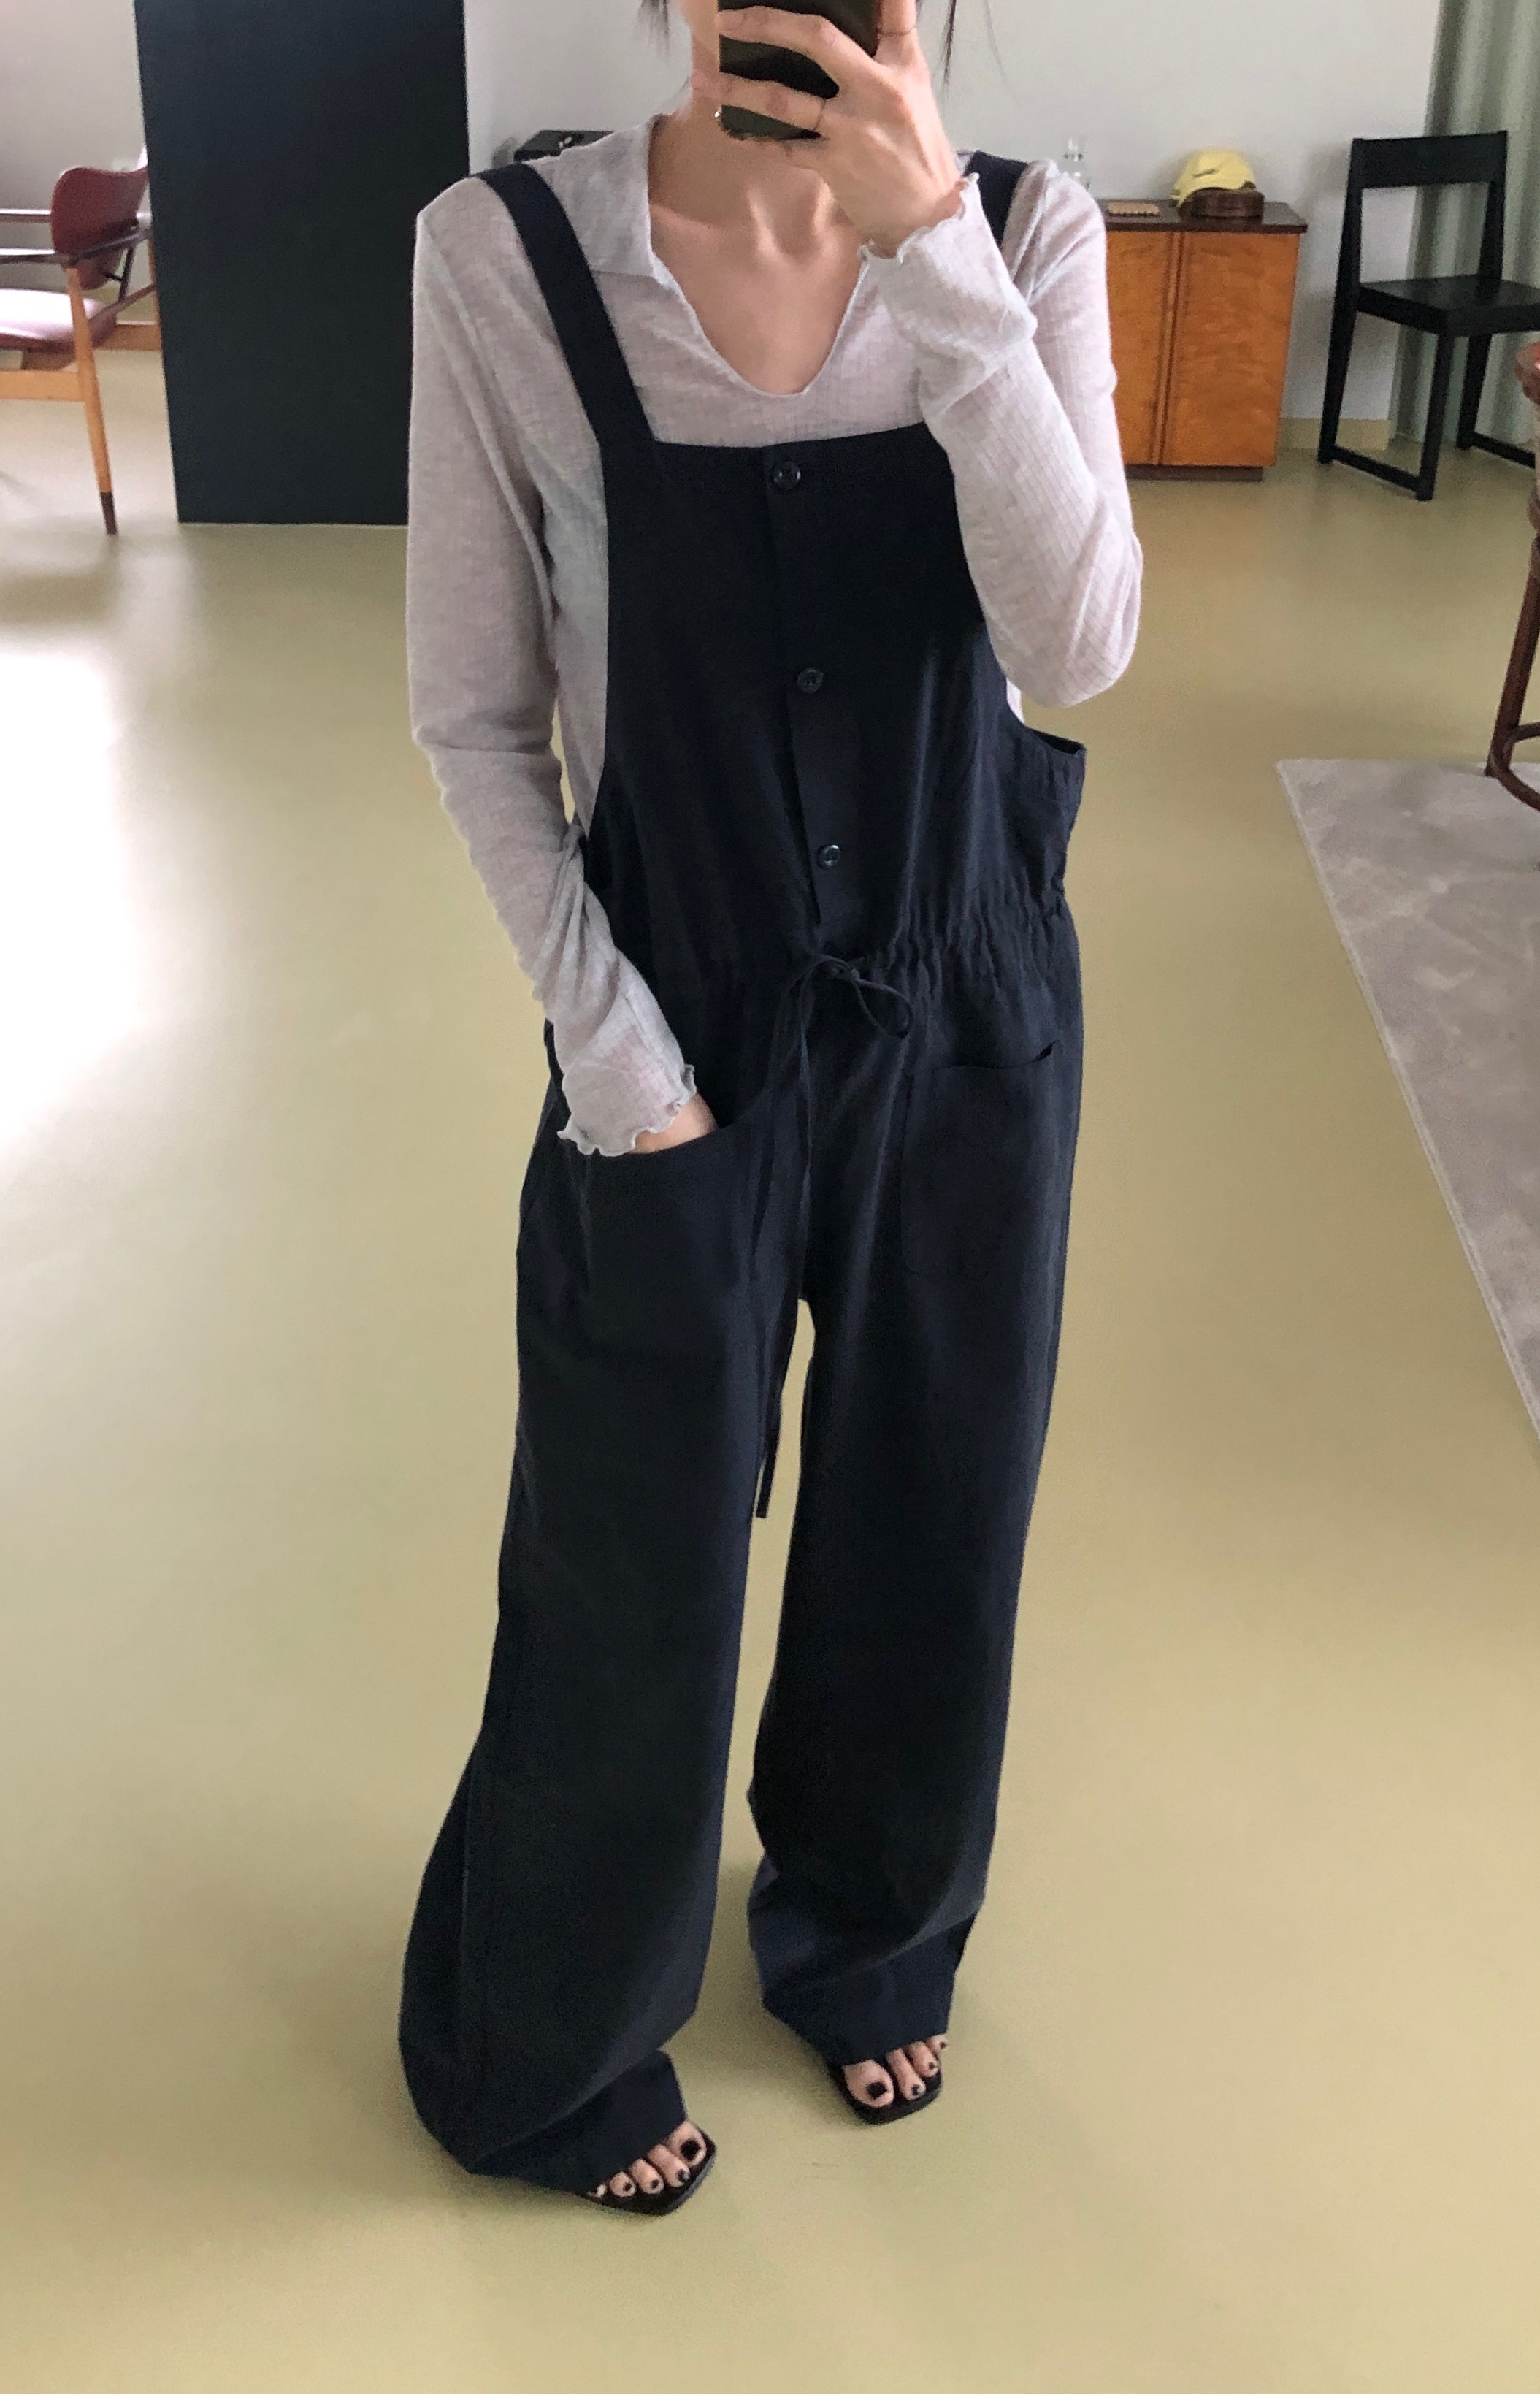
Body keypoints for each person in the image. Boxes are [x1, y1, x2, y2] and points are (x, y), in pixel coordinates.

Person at [399, 0, 1141, 2214]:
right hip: (671, 1020)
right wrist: (617, 1066)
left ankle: (873, 1925)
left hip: (969, 1000)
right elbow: (474, 714)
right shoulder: (505, 255)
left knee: (936, 1512)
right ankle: (551, 2035)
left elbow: (1081, 645)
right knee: (625, 1553)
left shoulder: (1027, 232)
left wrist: (938, 258)